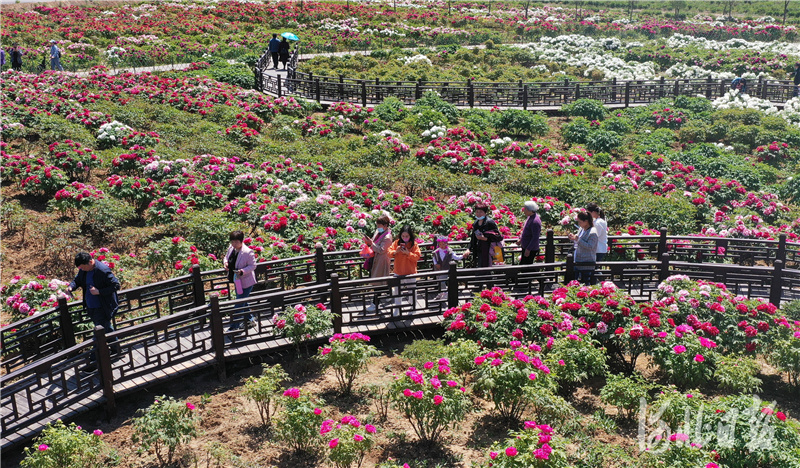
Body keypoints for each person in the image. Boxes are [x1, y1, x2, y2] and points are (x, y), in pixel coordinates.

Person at [66, 252, 121, 373]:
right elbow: (77, 280)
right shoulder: (84, 270)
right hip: (91, 306)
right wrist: (71, 287)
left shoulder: (102, 270)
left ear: (90, 262)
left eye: (82, 267)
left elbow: (116, 285)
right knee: (107, 328)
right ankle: (117, 350)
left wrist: (99, 291)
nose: (81, 269)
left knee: (98, 333)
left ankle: (93, 362)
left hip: (103, 306)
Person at [223, 231, 258, 331]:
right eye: (232, 241)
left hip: (246, 282)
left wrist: (243, 271)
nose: (233, 244)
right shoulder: (231, 248)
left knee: (239, 304)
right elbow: (226, 257)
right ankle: (251, 320)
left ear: (241, 241)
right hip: (237, 281)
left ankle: (234, 327)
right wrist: (225, 263)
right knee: (243, 301)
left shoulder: (247, 252)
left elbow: (253, 266)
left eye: (236, 242)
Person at [363, 215, 393, 312]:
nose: (378, 228)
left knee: (378, 283)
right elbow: (373, 243)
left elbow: (382, 250)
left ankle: (375, 304)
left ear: (385, 225)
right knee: (381, 281)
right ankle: (390, 293)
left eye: (379, 226)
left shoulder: (388, 237)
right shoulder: (378, 232)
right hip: (374, 259)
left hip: (381, 261)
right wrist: (368, 242)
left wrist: (371, 244)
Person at [388, 225, 422, 308]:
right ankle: (398, 307)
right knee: (397, 291)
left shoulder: (414, 244)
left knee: (412, 290)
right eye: (403, 236)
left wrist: (408, 253)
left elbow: (417, 257)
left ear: (410, 235)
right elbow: (389, 253)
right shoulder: (396, 243)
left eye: (406, 236)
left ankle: (413, 306)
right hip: (398, 271)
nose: (405, 238)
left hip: (410, 272)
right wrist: (396, 251)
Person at [432, 235, 469, 300]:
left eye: (443, 244)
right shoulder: (436, 251)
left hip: (446, 268)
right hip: (438, 269)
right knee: (439, 281)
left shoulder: (450, 251)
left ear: (447, 243)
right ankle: (441, 293)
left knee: (442, 281)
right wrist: (435, 264)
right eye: (440, 244)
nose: (442, 245)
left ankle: (445, 293)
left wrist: (462, 256)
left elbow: (456, 257)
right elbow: (434, 258)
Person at [568, 212, 598, 286]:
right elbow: (577, 238)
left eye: (580, 222)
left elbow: (590, 246)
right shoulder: (582, 229)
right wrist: (573, 238)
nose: (579, 224)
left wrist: (578, 239)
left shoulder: (593, 232)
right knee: (576, 283)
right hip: (578, 259)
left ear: (586, 221)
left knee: (586, 283)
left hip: (587, 261)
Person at [469, 204, 503, 268]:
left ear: (485, 213)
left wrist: (485, 239)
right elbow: (473, 238)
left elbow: (498, 236)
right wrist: (469, 249)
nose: (478, 214)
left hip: (489, 250)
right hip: (480, 250)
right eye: (477, 212)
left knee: (488, 268)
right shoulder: (476, 223)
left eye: (481, 212)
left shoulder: (490, 222)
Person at [519, 200, 542, 265]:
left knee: (526, 267)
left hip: (530, 248)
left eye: (525, 209)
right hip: (526, 246)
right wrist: (521, 239)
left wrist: (528, 249)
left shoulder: (535, 221)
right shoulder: (530, 217)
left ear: (530, 210)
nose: (524, 210)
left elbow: (535, 237)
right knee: (524, 266)